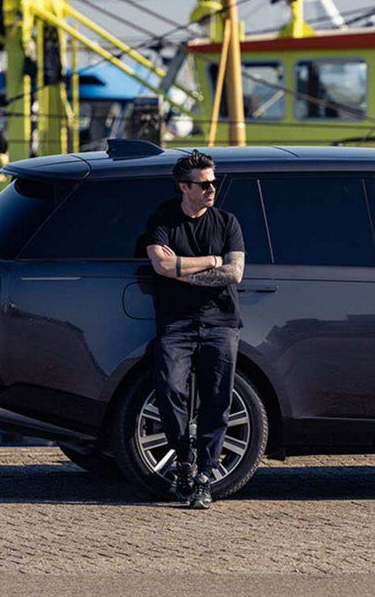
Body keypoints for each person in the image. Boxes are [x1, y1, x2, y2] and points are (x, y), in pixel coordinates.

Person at [143, 150, 244, 509]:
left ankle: (205, 476)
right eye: (203, 184)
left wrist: (182, 269)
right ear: (183, 187)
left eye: (214, 182)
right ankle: (184, 459)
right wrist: (210, 262)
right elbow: (159, 264)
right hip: (177, 323)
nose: (211, 189)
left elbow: (233, 273)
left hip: (221, 322)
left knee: (218, 399)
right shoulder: (163, 220)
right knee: (169, 388)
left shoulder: (227, 222)